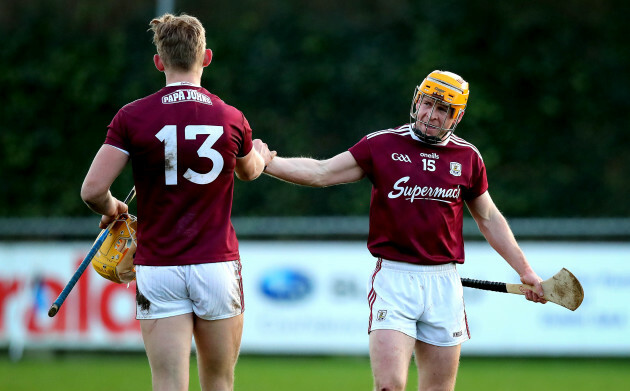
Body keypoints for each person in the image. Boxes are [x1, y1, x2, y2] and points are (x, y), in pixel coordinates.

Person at [254, 70, 547, 391]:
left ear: (457, 116)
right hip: (394, 280)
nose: (430, 115)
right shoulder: (382, 145)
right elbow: (322, 172)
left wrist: (525, 270)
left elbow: (489, 218)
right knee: (389, 386)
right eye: (427, 103)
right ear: (417, 100)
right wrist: (267, 163)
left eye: (443, 110)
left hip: (444, 284)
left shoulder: (468, 158)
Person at [81, 13, 265, 391]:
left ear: (159, 61)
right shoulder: (231, 117)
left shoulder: (132, 116)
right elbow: (249, 171)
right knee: (218, 382)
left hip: (159, 267)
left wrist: (113, 207)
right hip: (217, 266)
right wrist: (260, 153)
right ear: (207, 57)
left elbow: (92, 191)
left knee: (167, 384)